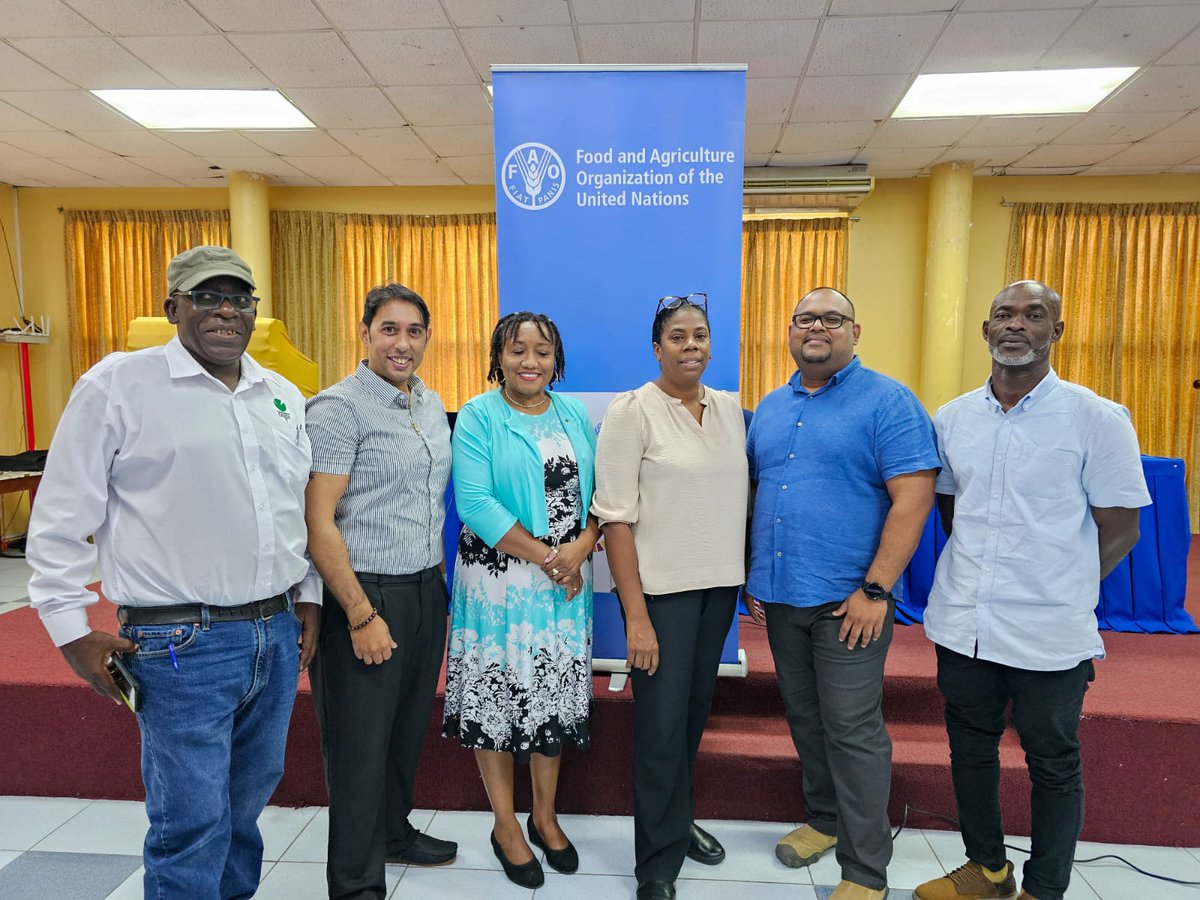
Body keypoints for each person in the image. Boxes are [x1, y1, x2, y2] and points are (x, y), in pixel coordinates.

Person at [25, 245, 320, 898]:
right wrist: (70, 632)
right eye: (206, 297)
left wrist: (310, 595)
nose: (225, 310)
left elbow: (292, 507)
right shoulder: (119, 385)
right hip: (179, 643)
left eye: (239, 299)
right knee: (190, 824)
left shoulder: (283, 396)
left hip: (272, 636)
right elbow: (60, 515)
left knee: (242, 819)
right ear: (172, 308)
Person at [913, 281, 1149, 900]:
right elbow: (949, 511)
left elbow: (1122, 528)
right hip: (963, 618)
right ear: (987, 330)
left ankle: (1044, 890)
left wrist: (1063, 585)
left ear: (1056, 332)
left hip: (1049, 626)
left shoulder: (1096, 418)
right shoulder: (953, 417)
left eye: (1034, 315)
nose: (1016, 325)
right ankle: (987, 869)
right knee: (970, 749)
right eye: (1004, 314)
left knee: (1053, 761)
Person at [744, 287, 940, 900]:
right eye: (805, 319)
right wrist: (756, 576)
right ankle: (824, 819)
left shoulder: (889, 402)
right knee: (805, 716)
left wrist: (877, 590)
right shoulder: (771, 407)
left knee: (853, 727)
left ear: (855, 330)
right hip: (780, 596)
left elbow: (914, 498)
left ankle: (864, 870)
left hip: (851, 602)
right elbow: (759, 494)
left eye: (832, 319)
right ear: (790, 330)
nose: (817, 328)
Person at [592, 294, 749, 900]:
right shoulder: (633, 411)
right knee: (659, 730)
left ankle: (677, 823)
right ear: (657, 349)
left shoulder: (731, 408)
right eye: (678, 337)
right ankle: (656, 864)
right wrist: (636, 617)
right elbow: (616, 521)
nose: (691, 346)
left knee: (688, 720)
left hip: (718, 592)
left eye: (700, 335)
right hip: (660, 597)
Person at [305, 283, 458, 899]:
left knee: (402, 730)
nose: (402, 343)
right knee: (358, 749)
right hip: (364, 597)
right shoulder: (338, 409)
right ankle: (355, 883)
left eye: (414, 331)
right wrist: (361, 614)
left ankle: (393, 833)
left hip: (425, 590)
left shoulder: (428, 402)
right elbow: (319, 524)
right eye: (389, 329)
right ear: (364, 333)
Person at [442, 311, 600, 890]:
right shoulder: (480, 416)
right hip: (499, 588)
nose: (530, 361)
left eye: (542, 351)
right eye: (517, 351)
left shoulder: (575, 413)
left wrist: (581, 546)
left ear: (556, 359)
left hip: (564, 588)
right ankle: (506, 824)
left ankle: (546, 816)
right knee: (498, 703)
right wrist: (552, 558)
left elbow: (595, 497)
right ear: (498, 357)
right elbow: (477, 505)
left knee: (550, 698)